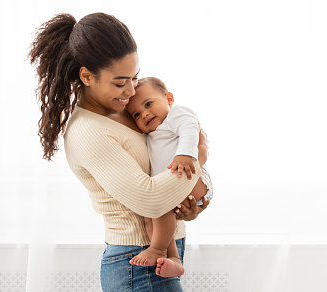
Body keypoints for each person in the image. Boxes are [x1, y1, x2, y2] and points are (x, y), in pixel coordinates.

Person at [29, 13, 209, 291]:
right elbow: (149, 200)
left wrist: (187, 206)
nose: (131, 90)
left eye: (135, 77)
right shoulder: (88, 131)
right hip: (135, 262)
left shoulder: (128, 110)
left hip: (161, 256)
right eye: (119, 82)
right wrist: (198, 156)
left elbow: (161, 169)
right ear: (87, 76)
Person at [125, 77, 213, 277]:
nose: (144, 113)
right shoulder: (153, 132)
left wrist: (185, 154)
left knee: (159, 207)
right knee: (150, 215)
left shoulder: (177, 114)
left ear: (169, 98)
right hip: (178, 185)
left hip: (195, 178)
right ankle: (172, 257)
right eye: (136, 114)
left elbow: (191, 129)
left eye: (148, 104)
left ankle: (157, 249)